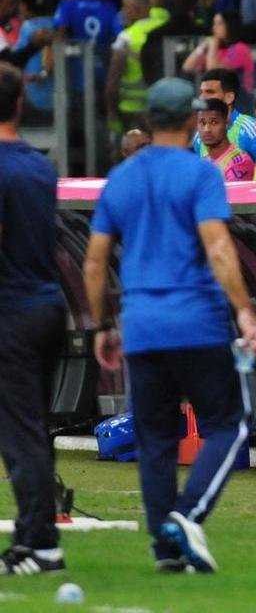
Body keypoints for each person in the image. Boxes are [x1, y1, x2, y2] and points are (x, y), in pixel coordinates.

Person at [84, 76, 256, 573]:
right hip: (198, 322)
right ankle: (187, 517)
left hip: (141, 327)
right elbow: (218, 246)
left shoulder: (121, 177)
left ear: (146, 120)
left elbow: (95, 264)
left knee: (157, 440)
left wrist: (102, 325)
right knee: (228, 426)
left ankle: (165, 549)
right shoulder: (200, 174)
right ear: (190, 120)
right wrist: (246, 310)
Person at [0, 71, 66, 576]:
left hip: (11, 312)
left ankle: (40, 544)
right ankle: (36, 534)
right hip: (48, 306)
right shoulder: (41, 167)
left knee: (19, 435)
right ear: (21, 103)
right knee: (36, 431)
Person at [106, 0, 165, 139]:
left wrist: (111, 111)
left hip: (132, 112)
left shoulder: (126, 37)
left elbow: (113, 80)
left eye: (125, 7)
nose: (122, 12)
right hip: (164, 106)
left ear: (136, 9)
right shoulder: (164, 27)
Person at [193, 68, 256, 160]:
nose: (202, 97)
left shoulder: (252, 130)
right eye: (202, 92)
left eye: (210, 92)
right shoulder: (199, 136)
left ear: (229, 97)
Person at [182, 10, 254, 95]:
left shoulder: (241, 49)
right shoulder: (218, 51)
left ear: (230, 25)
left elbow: (214, 72)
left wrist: (212, 44)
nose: (214, 28)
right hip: (217, 99)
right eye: (214, 24)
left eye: (219, 23)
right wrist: (201, 47)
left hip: (238, 98)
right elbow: (187, 67)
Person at [197, 98, 253, 181]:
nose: (207, 129)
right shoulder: (203, 162)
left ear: (227, 124)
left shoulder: (239, 162)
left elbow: (235, 194)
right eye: (202, 123)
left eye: (214, 122)